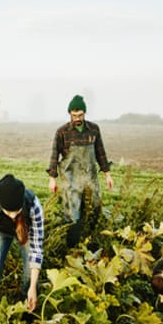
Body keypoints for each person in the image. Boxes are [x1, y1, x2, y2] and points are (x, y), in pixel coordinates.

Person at [0, 174, 45, 324]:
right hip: (2, 232)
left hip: (25, 230)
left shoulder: (33, 206)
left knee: (30, 282)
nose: (13, 216)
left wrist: (33, 287)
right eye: (9, 212)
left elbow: (36, 249)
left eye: (16, 211)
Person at [47, 94, 114, 246]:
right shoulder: (62, 132)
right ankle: (71, 247)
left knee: (94, 209)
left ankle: (89, 242)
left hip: (90, 178)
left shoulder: (93, 130)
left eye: (80, 114)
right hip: (71, 180)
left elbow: (100, 152)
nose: (77, 118)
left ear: (85, 113)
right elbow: (54, 155)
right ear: (69, 114)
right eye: (74, 115)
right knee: (72, 214)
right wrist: (52, 178)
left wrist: (107, 175)